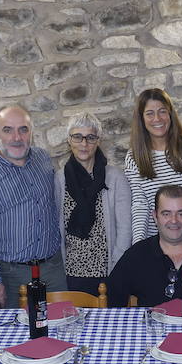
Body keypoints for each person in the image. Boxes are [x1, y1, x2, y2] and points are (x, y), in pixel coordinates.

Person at [0, 105, 65, 307]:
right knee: (17, 335)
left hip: (52, 269)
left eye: (23, 129)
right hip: (11, 276)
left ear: (31, 132)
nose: (16, 137)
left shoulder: (43, 159)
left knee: (61, 326)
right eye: (7, 130)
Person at [54, 112, 132, 296]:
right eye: (77, 137)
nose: (84, 144)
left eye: (90, 137)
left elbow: (125, 229)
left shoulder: (115, 178)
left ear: (98, 141)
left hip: (108, 275)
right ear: (69, 140)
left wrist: (116, 269)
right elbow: (57, 229)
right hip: (70, 276)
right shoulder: (59, 179)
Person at [124, 88, 182, 242]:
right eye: (150, 113)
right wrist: (138, 247)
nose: (157, 118)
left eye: (162, 111)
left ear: (170, 114)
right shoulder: (133, 157)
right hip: (154, 247)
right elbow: (140, 206)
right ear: (141, 119)